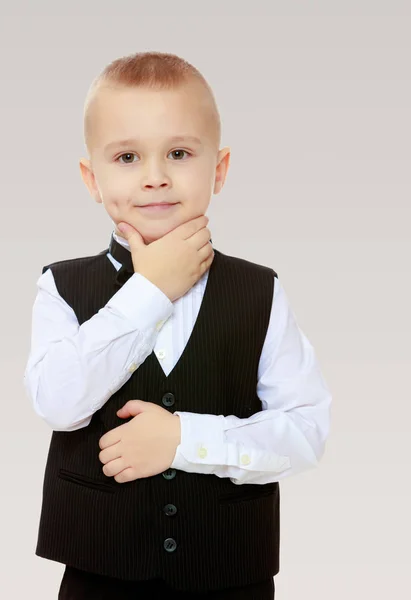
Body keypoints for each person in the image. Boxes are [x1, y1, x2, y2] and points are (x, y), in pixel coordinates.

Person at [23, 51, 332, 600]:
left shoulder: (260, 291)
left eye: (180, 152)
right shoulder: (61, 287)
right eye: (127, 157)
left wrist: (185, 440)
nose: (155, 177)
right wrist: (151, 293)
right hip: (100, 574)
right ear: (91, 179)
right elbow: (57, 402)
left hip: (231, 573)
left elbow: (307, 432)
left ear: (219, 169)